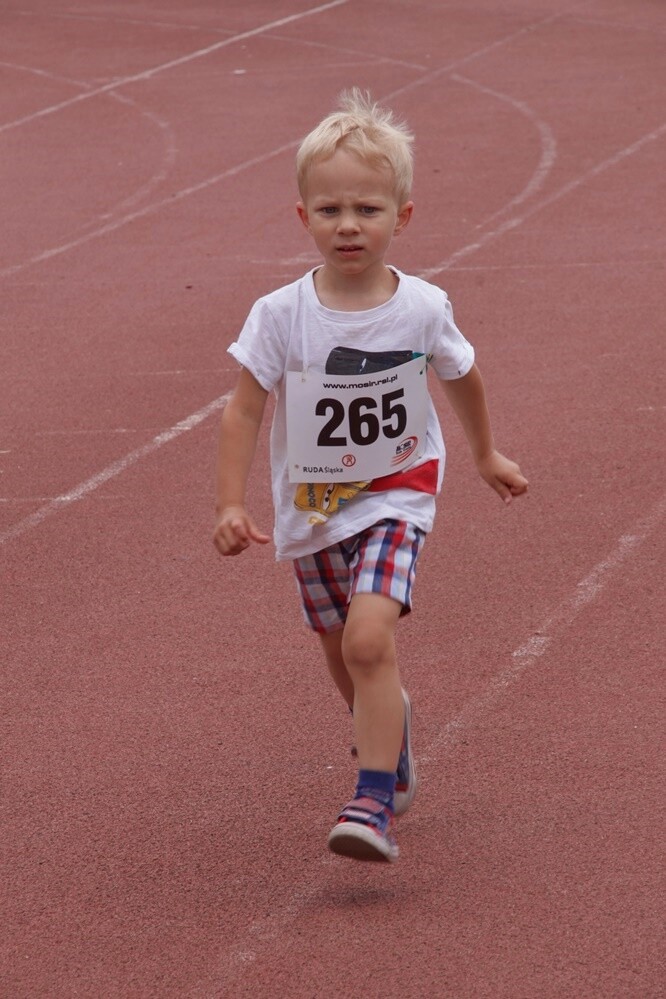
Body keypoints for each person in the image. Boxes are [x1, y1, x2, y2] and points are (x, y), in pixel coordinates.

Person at [213, 89, 528, 863]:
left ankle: (373, 797)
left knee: (366, 636)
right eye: (329, 210)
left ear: (402, 216)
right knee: (341, 649)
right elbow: (244, 410)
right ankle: (391, 731)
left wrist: (485, 454)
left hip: (398, 491)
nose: (348, 224)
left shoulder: (422, 306)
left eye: (366, 208)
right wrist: (229, 502)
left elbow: (463, 375)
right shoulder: (280, 314)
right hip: (314, 508)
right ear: (303, 217)